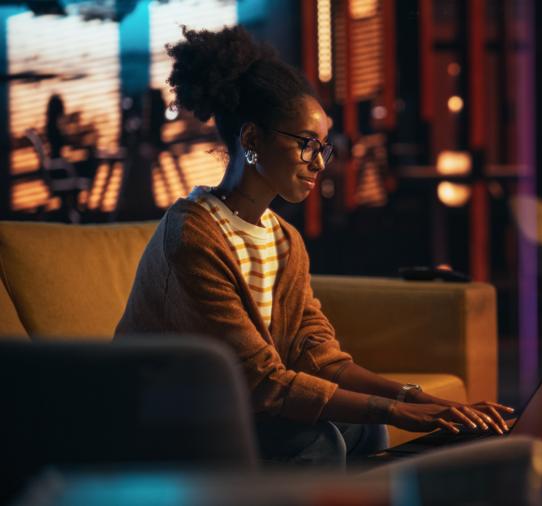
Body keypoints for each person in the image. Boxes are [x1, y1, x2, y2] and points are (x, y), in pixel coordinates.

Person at [114, 26, 511, 466]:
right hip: (168, 419)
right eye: (306, 145)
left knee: (365, 428)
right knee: (320, 442)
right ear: (251, 140)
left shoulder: (284, 240)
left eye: (323, 147)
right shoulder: (192, 237)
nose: (319, 162)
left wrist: (417, 398)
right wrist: (402, 411)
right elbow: (260, 380)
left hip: (233, 407)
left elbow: (314, 351)